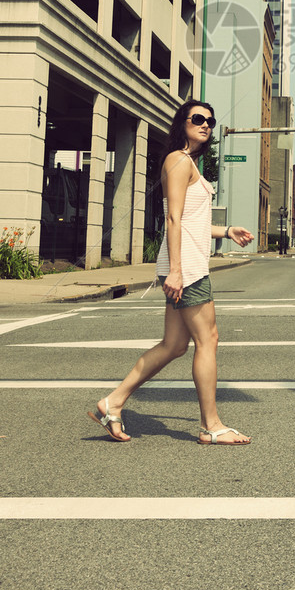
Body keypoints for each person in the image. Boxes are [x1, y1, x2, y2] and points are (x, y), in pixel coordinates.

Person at [88, 99, 253, 446]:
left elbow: (193, 221)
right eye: (197, 119)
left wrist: (226, 232)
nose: (205, 124)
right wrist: (176, 272)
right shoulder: (179, 161)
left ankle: (112, 403)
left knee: (174, 345)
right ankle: (212, 425)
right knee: (208, 341)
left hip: (185, 264)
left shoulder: (186, 162)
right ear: (182, 122)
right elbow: (174, 219)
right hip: (187, 268)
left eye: (209, 120)